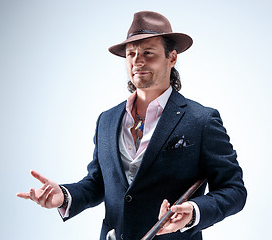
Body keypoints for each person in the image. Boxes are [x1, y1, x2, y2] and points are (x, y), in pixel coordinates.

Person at [17, 11, 247, 240]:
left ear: (172, 58)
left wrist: (195, 212)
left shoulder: (201, 120)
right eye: (131, 54)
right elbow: (98, 183)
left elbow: (233, 189)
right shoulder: (106, 120)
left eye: (148, 53)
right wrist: (65, 196)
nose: (137, 61)